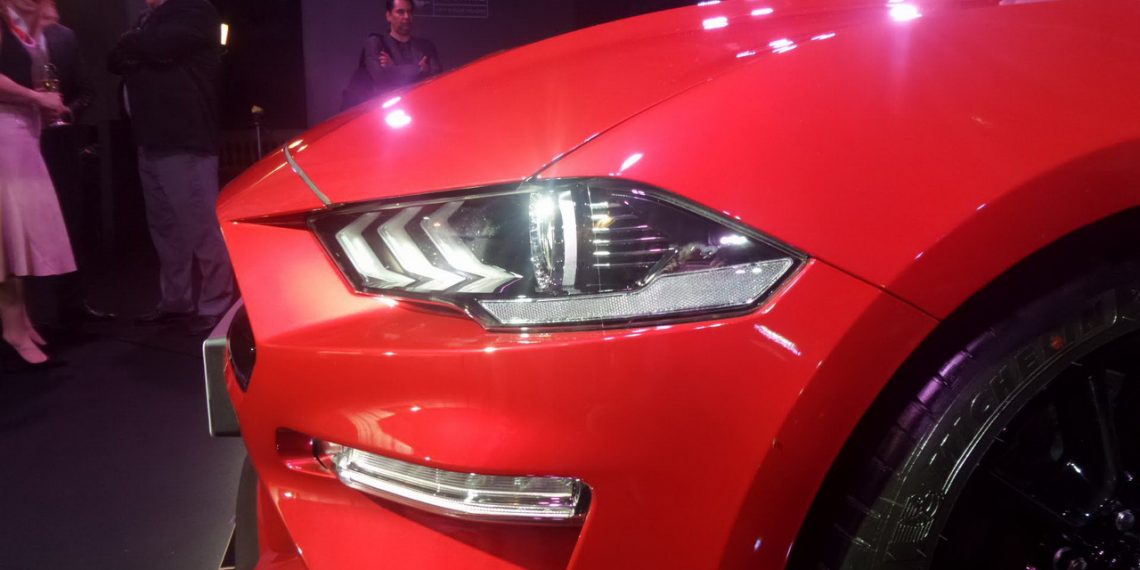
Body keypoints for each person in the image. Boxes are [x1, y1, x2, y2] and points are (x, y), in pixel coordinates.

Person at [108, 0, 233, 335]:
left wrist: (136, 44)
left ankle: (216, 303)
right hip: (150, 138)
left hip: (184, 137)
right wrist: (139, 46)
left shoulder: (194, 9)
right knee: (165, 229)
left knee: (200, 225)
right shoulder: (148, 19)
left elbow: (156, 45)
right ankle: (176, 301)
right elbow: (114, 60)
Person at [0, 0, 76, 365]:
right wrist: (36, 97)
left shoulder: (17, 25)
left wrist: (40, 106)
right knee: (8, 236)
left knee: (18, 234)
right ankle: (12, 330)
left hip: (20, 134)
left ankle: (20, 321)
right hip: (4, 136)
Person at [38, 0, 113, 324]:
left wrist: (67, 111)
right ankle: (31, 315)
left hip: (58, 146)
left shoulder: (63, 37)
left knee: (68, 223)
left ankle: (71, 306)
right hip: (14, 145)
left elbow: (86, 91)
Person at [342, 0, 442, 109]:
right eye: (400, 12)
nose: (406, 16)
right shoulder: (376, 43)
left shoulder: (426, 46)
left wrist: (393, 69)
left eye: (409, 12)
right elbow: (381, 80)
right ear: (389, 16)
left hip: (419, 107)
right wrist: (420, 70)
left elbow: (436, 80)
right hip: (383, 110)